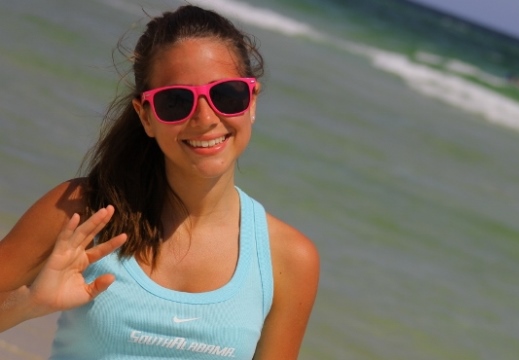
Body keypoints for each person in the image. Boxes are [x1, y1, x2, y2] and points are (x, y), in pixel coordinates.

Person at [0, 5, 319, 359]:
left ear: (252, 100)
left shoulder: (287, 259)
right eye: (175, 101)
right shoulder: (83, 212)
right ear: (146, 117)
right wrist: (30, 304)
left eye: (226, 95)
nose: (205, 118)